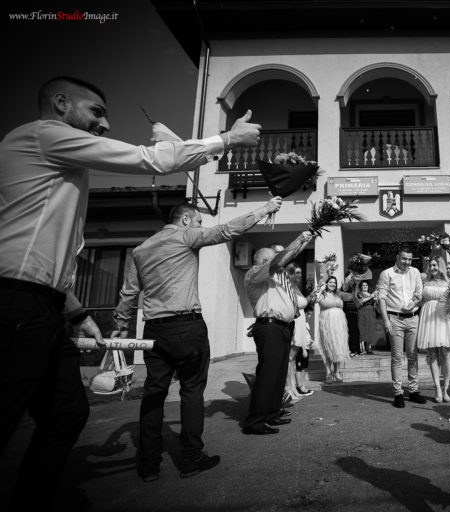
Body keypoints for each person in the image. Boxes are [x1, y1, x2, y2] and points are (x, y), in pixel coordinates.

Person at [0, 75, 264, 507]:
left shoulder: (138, 246)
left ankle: (114, 472)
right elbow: (151, 163)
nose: (104, 125)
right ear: (62, 104)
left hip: (62, 308)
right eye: (97, 112)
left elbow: (74, 263)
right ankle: (191, 455)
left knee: (71, 413)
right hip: (17, 301)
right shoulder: (44, 135)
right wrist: (227, 139)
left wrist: (75, 311)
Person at [112, 199, 282, 480]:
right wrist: (264, 210)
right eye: (200, 221)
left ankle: (149, 464)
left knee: (154, 394)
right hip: (186, 326)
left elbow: (129, 293)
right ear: (187, 220)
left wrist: (119, 323)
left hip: (153, 329)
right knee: (191, 392)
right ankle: (191, 458)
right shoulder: (185, 235)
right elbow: (226, 231)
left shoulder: (140, 250)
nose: (202, 227)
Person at [242, 231, 316, 435]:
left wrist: (310, 237)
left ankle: (271, 413)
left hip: (282, 327)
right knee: (268, 375)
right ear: (266, 260)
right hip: (271, 327)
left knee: (278, 374)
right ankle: (255, 421)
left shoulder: (279, 279)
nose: (283, 260)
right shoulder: (255, 272)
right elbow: (281, 260)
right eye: (277, 256)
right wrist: (300, 237)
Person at [377, 246, 427, 408]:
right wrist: (385, 320)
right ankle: (398, 393)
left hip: (413, 318)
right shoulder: (387, 274)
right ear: (398, 258)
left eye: (409, 259)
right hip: (395, 318)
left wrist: (413, 303)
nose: (407, 262)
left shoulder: (415, 272)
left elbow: (419, 293)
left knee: (413, 355)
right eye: (404, 258)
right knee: (397, 356)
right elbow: (382, 298)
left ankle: (413, 391)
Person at [416, 256, 450, 402]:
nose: (432, 268)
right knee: (432, 353)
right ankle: (437, 389)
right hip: (429, 317)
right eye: (430, 265)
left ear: (440, 266)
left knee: (446, 353)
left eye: (435, 265)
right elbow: (419, 299)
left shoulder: (449, 282)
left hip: (444, 317)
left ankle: (446, 388)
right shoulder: (424, 281)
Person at [314, 275, 353, 383]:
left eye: (334, 283)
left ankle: (336, 371)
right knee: (328, 347)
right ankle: (328, 372)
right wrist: (320, 289)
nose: (333, 284)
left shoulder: (339, 294)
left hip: (339, 324)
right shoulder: (322, 294)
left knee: (338, 346)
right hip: (327, 324)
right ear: (326, 283)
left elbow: (350, 295)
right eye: (331, 282)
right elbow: (315, 299)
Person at [285, 264, 313, 399]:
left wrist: (313, 294)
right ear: (289, 273)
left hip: (301, 323)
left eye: (300, 273)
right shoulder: (287, 287)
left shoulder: (296, 288)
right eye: (296, 272)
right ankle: (288, 388)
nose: (299, 275)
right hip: (294, 323)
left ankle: (292, 388)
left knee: (293, 359)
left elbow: (302, 304)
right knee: (290, 358)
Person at [354, 280, 378, 354]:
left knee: (371, 329)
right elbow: (361, 301)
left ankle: (369, 348)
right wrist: (371, 296)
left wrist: (376, 299)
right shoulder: (359, 294)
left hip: (371, 313)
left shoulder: (371, 294)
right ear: (361, 287)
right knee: (363, 329)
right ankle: (362, 349)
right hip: (362, 312)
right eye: (363, 285)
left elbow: (375, 304)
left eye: (366, 285)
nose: (364, 287)